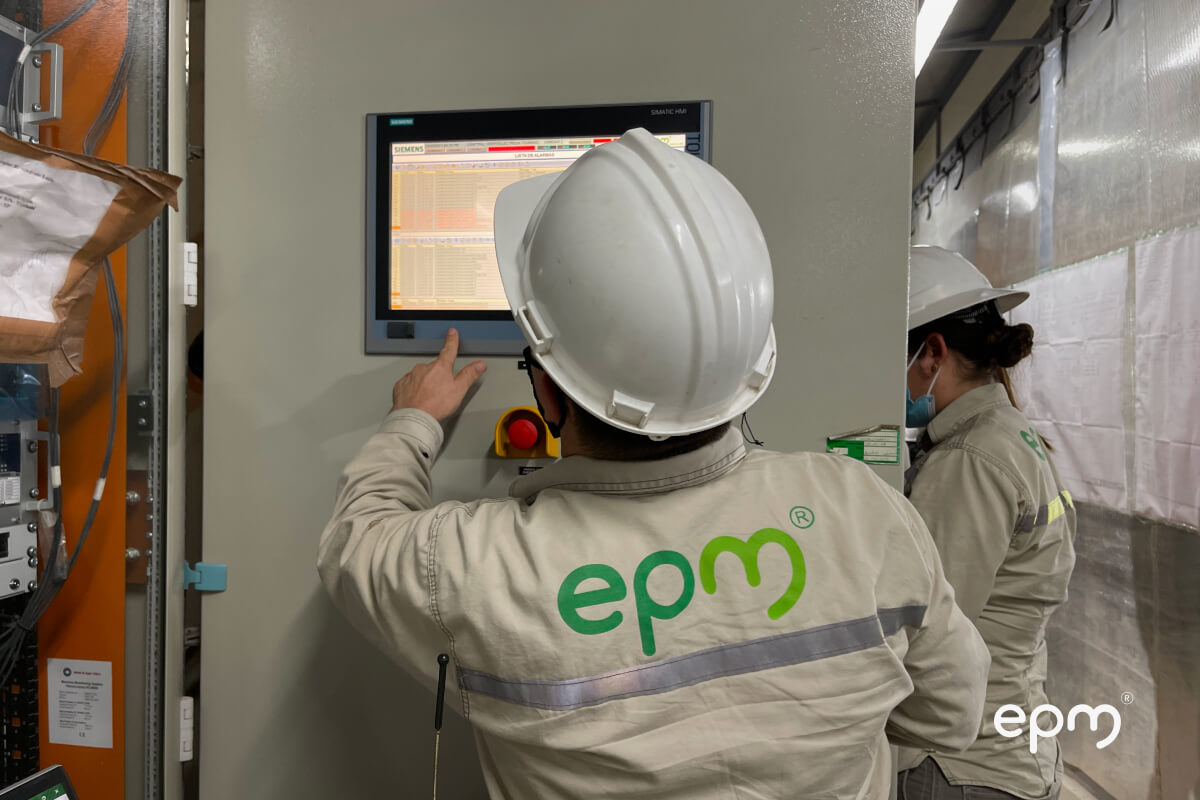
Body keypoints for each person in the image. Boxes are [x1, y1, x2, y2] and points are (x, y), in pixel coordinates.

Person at [319, 129, 990, 799]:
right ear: (748, 370)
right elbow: (950, 714)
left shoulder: (474, 565)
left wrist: (412, 420)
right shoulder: (858, 507)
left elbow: (356, 542)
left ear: (547, 389)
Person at [896, 245, 1078, 800]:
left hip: (961, 763)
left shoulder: (970, 461)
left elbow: (926, 626)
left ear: (932, 352)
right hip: (1009, 743)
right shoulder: (1010, 433)